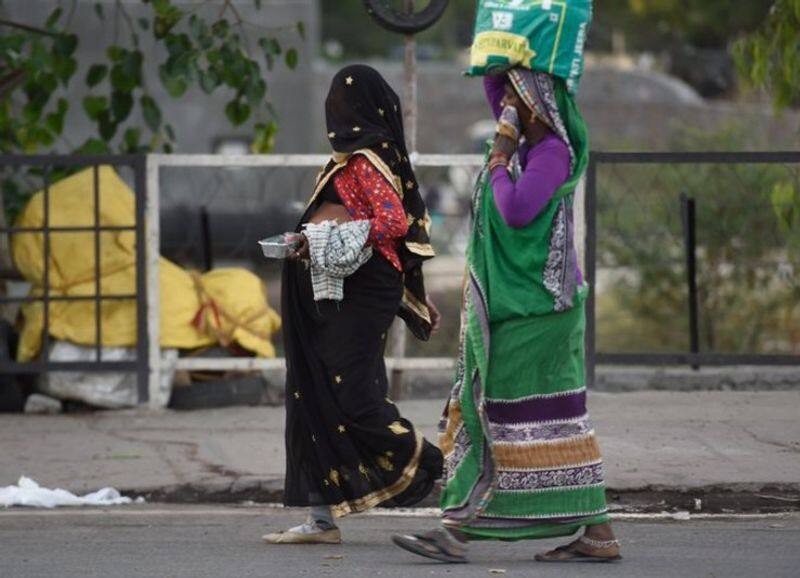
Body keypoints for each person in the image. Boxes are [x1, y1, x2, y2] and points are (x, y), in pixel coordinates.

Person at [392, 69, 621, 563]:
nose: (507, 107)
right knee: (555, 419)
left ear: (539, 105)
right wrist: (502, 61)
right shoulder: (529, 148)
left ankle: (458, 531)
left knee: (502, 414)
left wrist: (498, 159)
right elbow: (497, 93)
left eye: (519, 97)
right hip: (528, 305)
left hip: (540, 308)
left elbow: (516, 211)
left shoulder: (551, 154)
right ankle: (598, 533)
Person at [263, 64, 443, 545]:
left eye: (342, 103)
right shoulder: (346, 162)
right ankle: (321, 520)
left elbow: (390, 225)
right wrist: (307, 241)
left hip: (358, 295)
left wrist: (326, 237)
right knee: (312, 395)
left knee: (354, 398)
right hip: (333, 294)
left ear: (363, 108)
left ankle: (434, 463)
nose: (335, 113)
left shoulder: (367, 161)